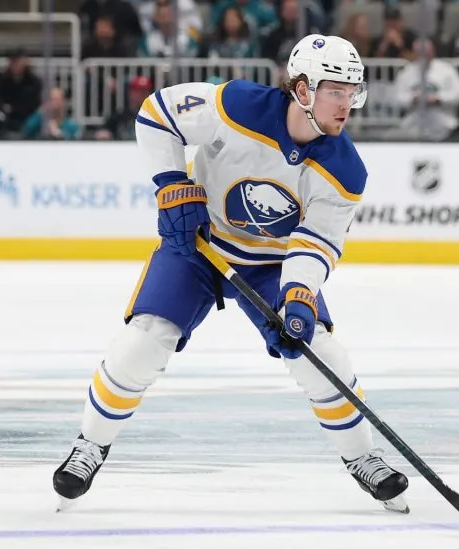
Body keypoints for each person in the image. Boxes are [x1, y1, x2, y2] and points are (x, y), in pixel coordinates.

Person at [51, 34, 411, 514]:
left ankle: (363, 456)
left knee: (319, 349)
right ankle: (90, 445)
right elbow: (157, 113)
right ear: (302, 90)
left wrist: (300, 294)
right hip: (197, 247)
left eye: (353, 93)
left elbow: (316, 242)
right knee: (145, 339)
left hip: (270, 266)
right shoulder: (237, 105)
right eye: (336, 91)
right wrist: (171, 184)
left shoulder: (346, 169)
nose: (347, 105)